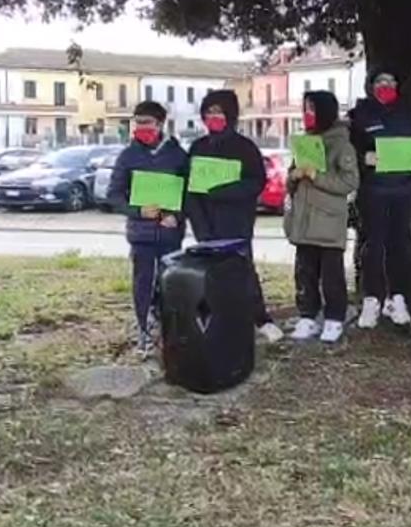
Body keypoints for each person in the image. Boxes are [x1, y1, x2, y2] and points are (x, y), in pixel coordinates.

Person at [185, 89, 284, 344]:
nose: (213, 117)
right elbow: (190, 191)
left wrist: (224, 191)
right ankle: (215, 321)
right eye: (208, 113)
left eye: (218, 112)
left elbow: (256, 182)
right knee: (209, 276)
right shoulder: (198, 147)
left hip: (236, 222)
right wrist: (199, 224)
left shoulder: (245, 147)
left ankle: (261, 319)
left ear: (230, 115)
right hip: (205, 224)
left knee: (243, 272)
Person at [107, 100, 188, 355]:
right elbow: (114, 195)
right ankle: (145, 332)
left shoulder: (177, 155)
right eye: (138, 122)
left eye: (147, 123)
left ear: (161, 124)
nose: (142, 127)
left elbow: (188, 193)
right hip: (141, 235)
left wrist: (176, 215)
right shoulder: (128, 156)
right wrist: (138, 211)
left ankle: (170, 333)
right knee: (143, 285)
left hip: (170, 234)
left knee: (170, 284)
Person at [351, 71, 411, 330]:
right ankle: (372, 299)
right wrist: (364, 159)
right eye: (380, 83)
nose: (385, 87)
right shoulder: (361, 115)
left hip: (402, 190)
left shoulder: (409, 115)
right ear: (371, 87)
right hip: (373, 190)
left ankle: (398, 298)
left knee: (401, 246)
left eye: (390, 82)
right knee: (373, 246)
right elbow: (351, 151)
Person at [285, 91, 360, 344]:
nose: (307, 115)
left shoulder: (341, 144)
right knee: (305, 272)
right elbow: (292, 179)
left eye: (312, 109)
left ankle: (334, 318)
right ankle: (307, 315)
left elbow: (349, 182)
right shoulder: (305, 142)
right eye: (305, 109)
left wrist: (317, 176)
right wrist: (293, 177)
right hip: (304, 220)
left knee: (331, 274)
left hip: (328, 222)